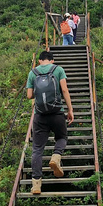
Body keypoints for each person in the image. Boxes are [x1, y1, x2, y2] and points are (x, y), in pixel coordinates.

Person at [26, 51, 74, 195]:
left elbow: (29, 95)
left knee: (37, 149)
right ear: (52, 60)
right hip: (57, 113)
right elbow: (64, 90)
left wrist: (38, 91)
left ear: (39, 60)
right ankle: (56, 156)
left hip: (40, 116)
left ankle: (36, 185)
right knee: (61, 138)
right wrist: (70, 110)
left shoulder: (32, 73)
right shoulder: (58, 69)